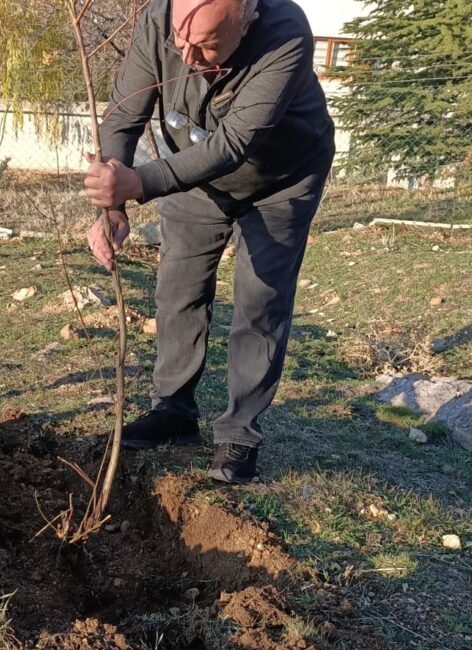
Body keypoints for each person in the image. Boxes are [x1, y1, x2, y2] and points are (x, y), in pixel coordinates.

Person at [82, 0, 335, 483]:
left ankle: (240, 432)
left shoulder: (287, 33)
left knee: (260, 298)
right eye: (182, 39)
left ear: (248, 18)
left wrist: (138, 184)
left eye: (207, 45)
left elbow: (234, 144)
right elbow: (121, 118)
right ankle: (172, 412)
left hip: (281, 178)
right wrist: (110, 206)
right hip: (194, 178)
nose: (187, 53)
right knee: (178, 288)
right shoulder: (160, 21)